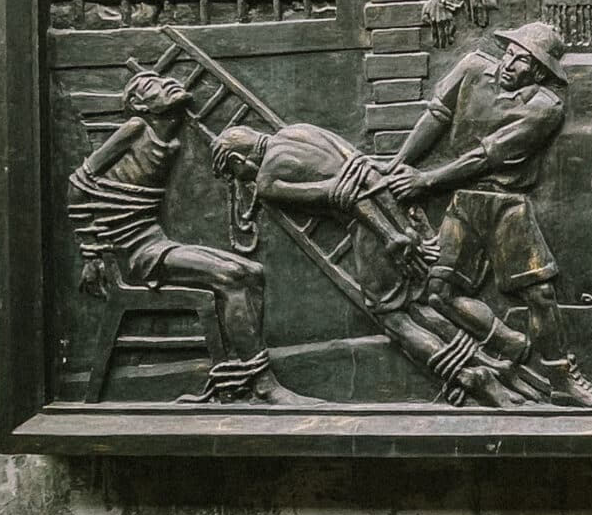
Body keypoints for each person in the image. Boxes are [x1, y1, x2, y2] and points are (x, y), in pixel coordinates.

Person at [209, 123, 540, 410]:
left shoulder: (266, 180)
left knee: (393, 316)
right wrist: (407, 225)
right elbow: (361, 167)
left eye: (234, 173)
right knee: (421, 302)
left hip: (375, 229)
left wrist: (393, 238)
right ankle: (491, 360)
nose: (239, 179)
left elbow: (343, 195)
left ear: (239, 160)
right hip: (397, 202)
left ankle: (471, 377)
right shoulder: (296, 131)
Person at [387, 20, 592, 410]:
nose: (511, 63)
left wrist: (425, 181)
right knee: (438, 295)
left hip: (506, 204)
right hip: (463, 202)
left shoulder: (545, 107)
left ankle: (562, 378)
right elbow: (437, 116)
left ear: (541, 71)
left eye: (524, 60)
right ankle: (506, 344)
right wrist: (398, 164)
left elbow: (484, 155)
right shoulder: (473, 66)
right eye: (511, 52)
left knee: (540, 294)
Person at [68, 70, 301, 404]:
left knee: (254, 273)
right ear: (138, 104)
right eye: (155, 86)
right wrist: (90, 252)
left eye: (167, 82)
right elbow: (78, 184)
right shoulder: (136, 128)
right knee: (234, 277)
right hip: (133, 253)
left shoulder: (171, 138)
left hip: (154, 242)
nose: (169, 84)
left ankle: (237, 376)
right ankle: (263, 384)